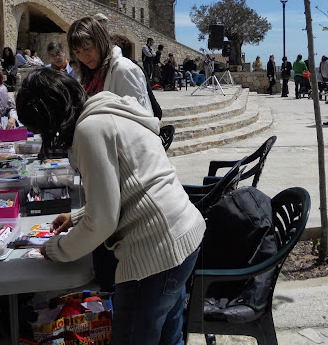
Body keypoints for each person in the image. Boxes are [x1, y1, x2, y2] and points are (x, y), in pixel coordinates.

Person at [15, 69, 205, 344]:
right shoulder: (109, 107)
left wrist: (57, 249)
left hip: (155, 254)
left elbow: (103, 221)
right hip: (183, 236)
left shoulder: (89, 130)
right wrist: (79, 216)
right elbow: (130, 187)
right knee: (168, 336)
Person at [68, 16, 153, 115]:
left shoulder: (124, 70)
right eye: (77, 52)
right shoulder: (86, 79)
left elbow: (140, 116)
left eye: (87, 49)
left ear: (100, 42)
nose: (84, 57)